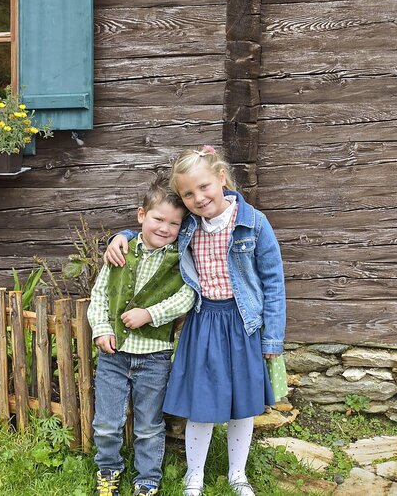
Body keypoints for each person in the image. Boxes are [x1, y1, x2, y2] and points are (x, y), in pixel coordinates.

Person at [105, 145, 286, 496]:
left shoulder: (253, 223)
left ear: (221, 178)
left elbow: (273, 282)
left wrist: (272, 338)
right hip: (203, 322)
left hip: (243, 325)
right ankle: (194, 475)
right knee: (200, 402)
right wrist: (122, 236)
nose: (198, 199)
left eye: (204, 187)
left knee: (242, 406)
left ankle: (237, 474)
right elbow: (155, 231)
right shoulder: (188, 225)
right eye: (188, 194)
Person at [88, 177, 195, 496]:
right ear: (141, 215)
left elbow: (187, 296)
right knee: (107, 423)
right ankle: (108, 470)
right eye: (158, 219)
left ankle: (147, 480)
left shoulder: (180, 258)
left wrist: (150, 314)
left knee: (149, 425)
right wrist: (101, 329)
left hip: (154, 357)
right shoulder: (120, 252)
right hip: (114, 355)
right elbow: (100, 295)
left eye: (174, 223)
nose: (164, 228)